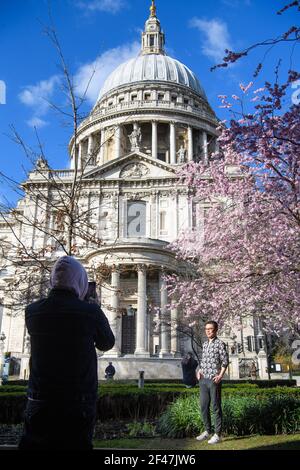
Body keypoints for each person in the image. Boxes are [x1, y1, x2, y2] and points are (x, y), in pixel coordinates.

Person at [18, 256, 115, 451]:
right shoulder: (90, 312)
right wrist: (91, 307)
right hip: (77, 402)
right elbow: (107, 343)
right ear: (80, 282)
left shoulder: (33, 311)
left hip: (39, 399)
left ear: (53, 279)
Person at [196, 321, 229, 445]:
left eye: (210, 329)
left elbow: (225, 361)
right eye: (206, 329)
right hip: (203, 380)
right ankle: (207, 431)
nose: (208, 331)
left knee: (216, 407)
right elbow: (203, 361)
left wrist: (220, 375)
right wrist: (199, 371)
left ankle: (217, 434)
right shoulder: (204, 344)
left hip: (214, 380)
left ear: (215, 330)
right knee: (204, 407)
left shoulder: (220, 344)